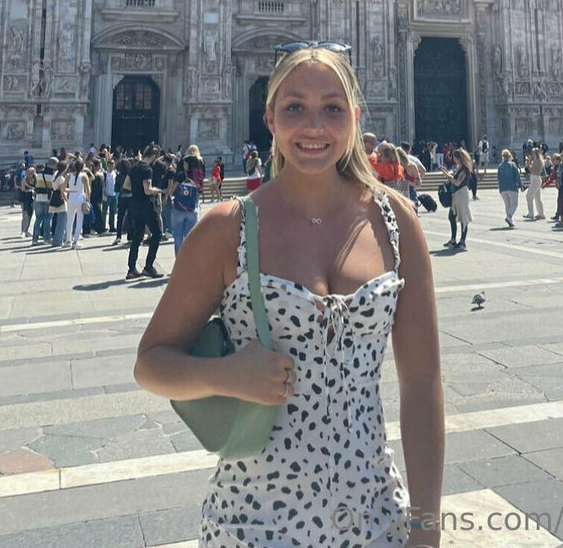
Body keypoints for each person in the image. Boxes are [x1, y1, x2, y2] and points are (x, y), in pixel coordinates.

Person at [134, 45, 443, 548]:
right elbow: (150, 363)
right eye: (295, 106)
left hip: (375, 518)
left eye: (332, 108)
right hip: (254, 524)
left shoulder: (395, 222)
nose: (314, 126)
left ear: (354, 118)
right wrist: (225, 375)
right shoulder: (228, 229)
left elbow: (423, 381)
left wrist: (427, 527)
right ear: (270, 118)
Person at [126, 145, 165, 280]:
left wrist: (136, 189)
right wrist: (158, 191)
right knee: (157, 233)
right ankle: (148, 267)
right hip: (146, 205)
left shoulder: (134, 167)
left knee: (137, 236)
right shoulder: (147, 169)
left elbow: (126, 185)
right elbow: (147, 190)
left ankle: (131, 269)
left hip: (134, 204)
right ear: (153, 157)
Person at [443, 148, 474, 250]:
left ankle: (462, 242)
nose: (454, 160)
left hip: (461, 195)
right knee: (452, 217)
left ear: (459, 158)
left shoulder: (464, 169)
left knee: (463, 218)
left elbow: (457, 182)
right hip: (456, 195)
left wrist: (447, 176)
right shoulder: (459, 167)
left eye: (455, 158)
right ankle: (453, 240)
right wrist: (447, 173)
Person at [170, 168, 200, 255]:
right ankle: (189, 257)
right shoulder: (194, 182)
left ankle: (179, 259)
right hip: (191, 211)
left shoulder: (179, 179)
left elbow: (172, 192)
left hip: (178, 210)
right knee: (190, 237)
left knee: (178, 237)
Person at [65, 159, 90, 248]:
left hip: (71, 198)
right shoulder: (84, 176)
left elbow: (63, 188)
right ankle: (75, 241)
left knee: (69, 220)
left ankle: (68, 240)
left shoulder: (69, 176)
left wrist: (71, 191)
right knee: (79, 220)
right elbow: (87, 189)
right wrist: (88, 200)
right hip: (80, 197)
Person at [497, 148, 522, 227]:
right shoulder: (512, 164)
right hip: (512, 187)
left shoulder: (500, 166)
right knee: (514, 204)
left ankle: (510, 220)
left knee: (507, 204)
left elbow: (498, 177)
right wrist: (521, 185)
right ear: (509, 156)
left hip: (502, 188)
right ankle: (509, 217)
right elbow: (517, 176)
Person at [524, 148, 546, 221]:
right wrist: (529, 162)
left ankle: (531, 213)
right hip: (536, 179)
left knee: (528, 196)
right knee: (537, 198)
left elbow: (532, 170)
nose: (532, 155)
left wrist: (528, 162)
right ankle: (541, 213)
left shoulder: (537, 161)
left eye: (533, 153)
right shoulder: (539, 161)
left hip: (535, 179)